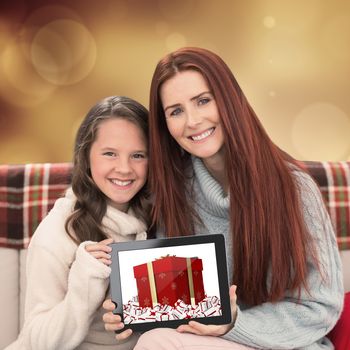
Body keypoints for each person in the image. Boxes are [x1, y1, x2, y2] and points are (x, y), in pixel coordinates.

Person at [102, 47, 344, 349]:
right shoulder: (174, 192)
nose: (192, 120)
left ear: (229, 100)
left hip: (290, 345)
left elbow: (321, 307)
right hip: (208, 343)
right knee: (154, 338)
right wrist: (132, 311)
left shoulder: (294, 188)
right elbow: (179, 306)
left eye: (203, 101)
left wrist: (233, 324)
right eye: (176, 111)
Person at [6, 96, 150, 350]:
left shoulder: (158, 217)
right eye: (109, 154)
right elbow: (37, 341)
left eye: (138, 155)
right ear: (86, 156)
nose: (125, 168)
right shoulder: (58, 231)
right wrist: (86, 281)